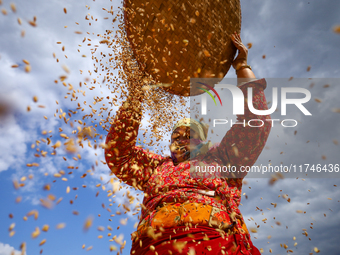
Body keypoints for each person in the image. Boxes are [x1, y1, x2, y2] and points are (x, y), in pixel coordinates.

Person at [105, 32, 271, 255]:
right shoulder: (157, 167)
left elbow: (257, 121)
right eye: (175, 137)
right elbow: (119, 154)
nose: (181, 140)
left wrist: (242, 66)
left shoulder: (223, 158)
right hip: (154, 246)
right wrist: (137, 93)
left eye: (189, 135)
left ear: (203, 141)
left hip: (214, 243)